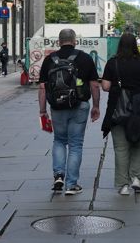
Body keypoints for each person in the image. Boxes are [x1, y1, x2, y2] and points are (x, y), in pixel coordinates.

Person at [38, 29, 100, 195]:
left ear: (59, 42)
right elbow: (94, 84)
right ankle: (71, 184)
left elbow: (43, 87)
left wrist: (42, 110)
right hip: (79, 106)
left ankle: (58, 175)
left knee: (59, 140)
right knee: (75, 144)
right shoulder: (85, 58)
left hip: (57, 107)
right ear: (75, 41)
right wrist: (96, 106)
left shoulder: (49, 59)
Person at [101, 33, 140, 195]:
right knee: (139, 144)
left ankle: (123, 185)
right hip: (139, 110)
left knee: (120, 148)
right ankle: (137, 178)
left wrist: (117, 83)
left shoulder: (112, 63)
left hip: (117, 110)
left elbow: (105, 86)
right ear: (135, 45)